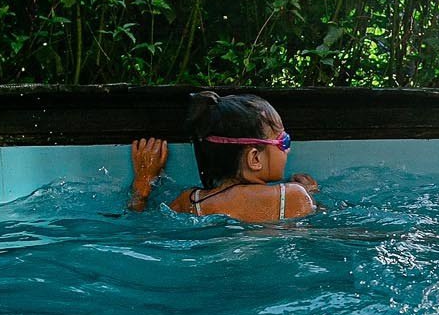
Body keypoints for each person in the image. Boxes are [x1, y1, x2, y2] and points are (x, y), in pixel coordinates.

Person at [128, 91, 319, 222]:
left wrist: (143, 182)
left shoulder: (190, 202)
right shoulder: (293, 196)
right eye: (283, 141)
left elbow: (141, 224)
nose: (288, 149)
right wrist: (312, 193)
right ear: (255, 159)